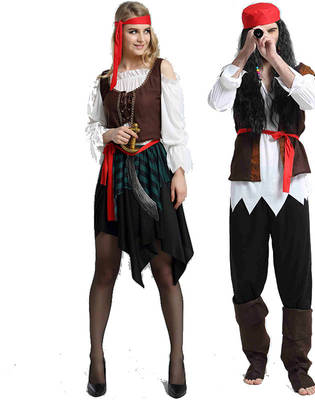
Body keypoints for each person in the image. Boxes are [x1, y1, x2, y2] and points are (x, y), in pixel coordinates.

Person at [208, 2, 315, 396]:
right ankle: (256, 356)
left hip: (292, 188)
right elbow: (216, 101)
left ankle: (297, 364)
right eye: (258, 33)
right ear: (247, 36)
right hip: (247, 190)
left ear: (280, 33)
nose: (265, 38)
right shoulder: (237, 74)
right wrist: (244, 56)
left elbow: (310, 99)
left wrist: (275, 59)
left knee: (296, 274)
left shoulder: (298, 71)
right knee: (246, 273)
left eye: (271, 31)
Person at [84, 2, 193, 397]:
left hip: (153, 174)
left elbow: (176, 128)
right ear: (119, 33)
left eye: (146, 30)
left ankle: (177, 359)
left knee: (165, 270)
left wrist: (179, 172)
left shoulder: (162, 70)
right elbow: (92, 126)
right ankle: (96, 357)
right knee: (105, 268)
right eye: (133, 31)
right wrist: (109, 134)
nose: (142, 38)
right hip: (113, 180)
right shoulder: (103, 80)